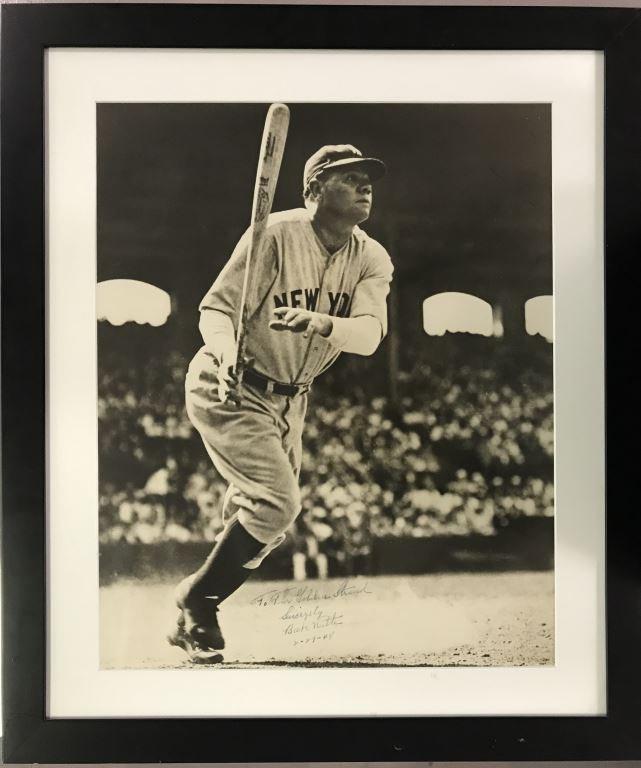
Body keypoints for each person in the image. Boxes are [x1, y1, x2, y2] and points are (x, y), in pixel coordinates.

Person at [168, 144, 394, 663]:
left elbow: (367, 337)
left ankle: (191, 612)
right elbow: (215, 310)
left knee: (269, 524)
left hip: (292, 399)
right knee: (277, 504)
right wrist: (225, 352)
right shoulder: (274, 234)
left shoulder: (371, 256)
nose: (365, 187)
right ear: (313, 189)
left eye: (367, 179)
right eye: (348, 178)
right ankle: (197, 603)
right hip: (231, 382)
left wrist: (323, 323)